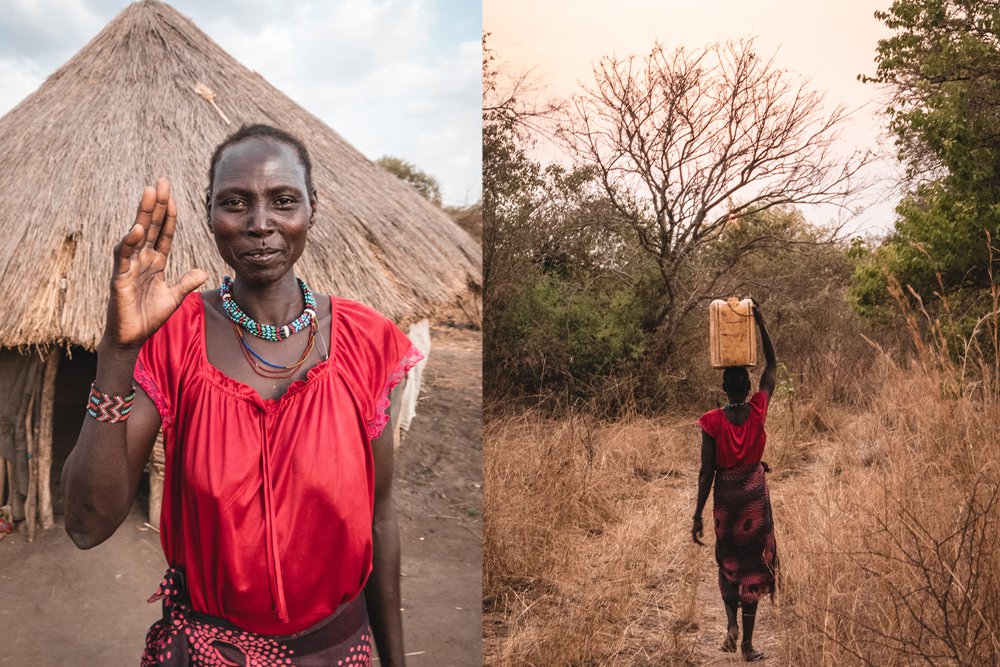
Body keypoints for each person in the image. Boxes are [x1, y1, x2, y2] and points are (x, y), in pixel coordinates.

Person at [61, 124, 422, 666]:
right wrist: (117, 351)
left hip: (338, 651)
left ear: (311, 209)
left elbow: (380, 516)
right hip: (209, 653)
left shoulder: (368, 343)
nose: (260, 225)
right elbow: (88, 525)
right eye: (235, 203)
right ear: (209, 213)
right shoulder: (175, 338)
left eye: (283, 201)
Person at [691, 301, 777, 663]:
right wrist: (759, 321)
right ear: (747, 386)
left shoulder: (711, 421)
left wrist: (697, 514)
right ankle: (748, 646)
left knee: (728, 560)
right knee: (755, 566)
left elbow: (706, 471)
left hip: (726, 498)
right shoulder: (758, 409)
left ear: (724, 385)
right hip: (754, 498)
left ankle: (730, 625)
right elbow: (772, 365)